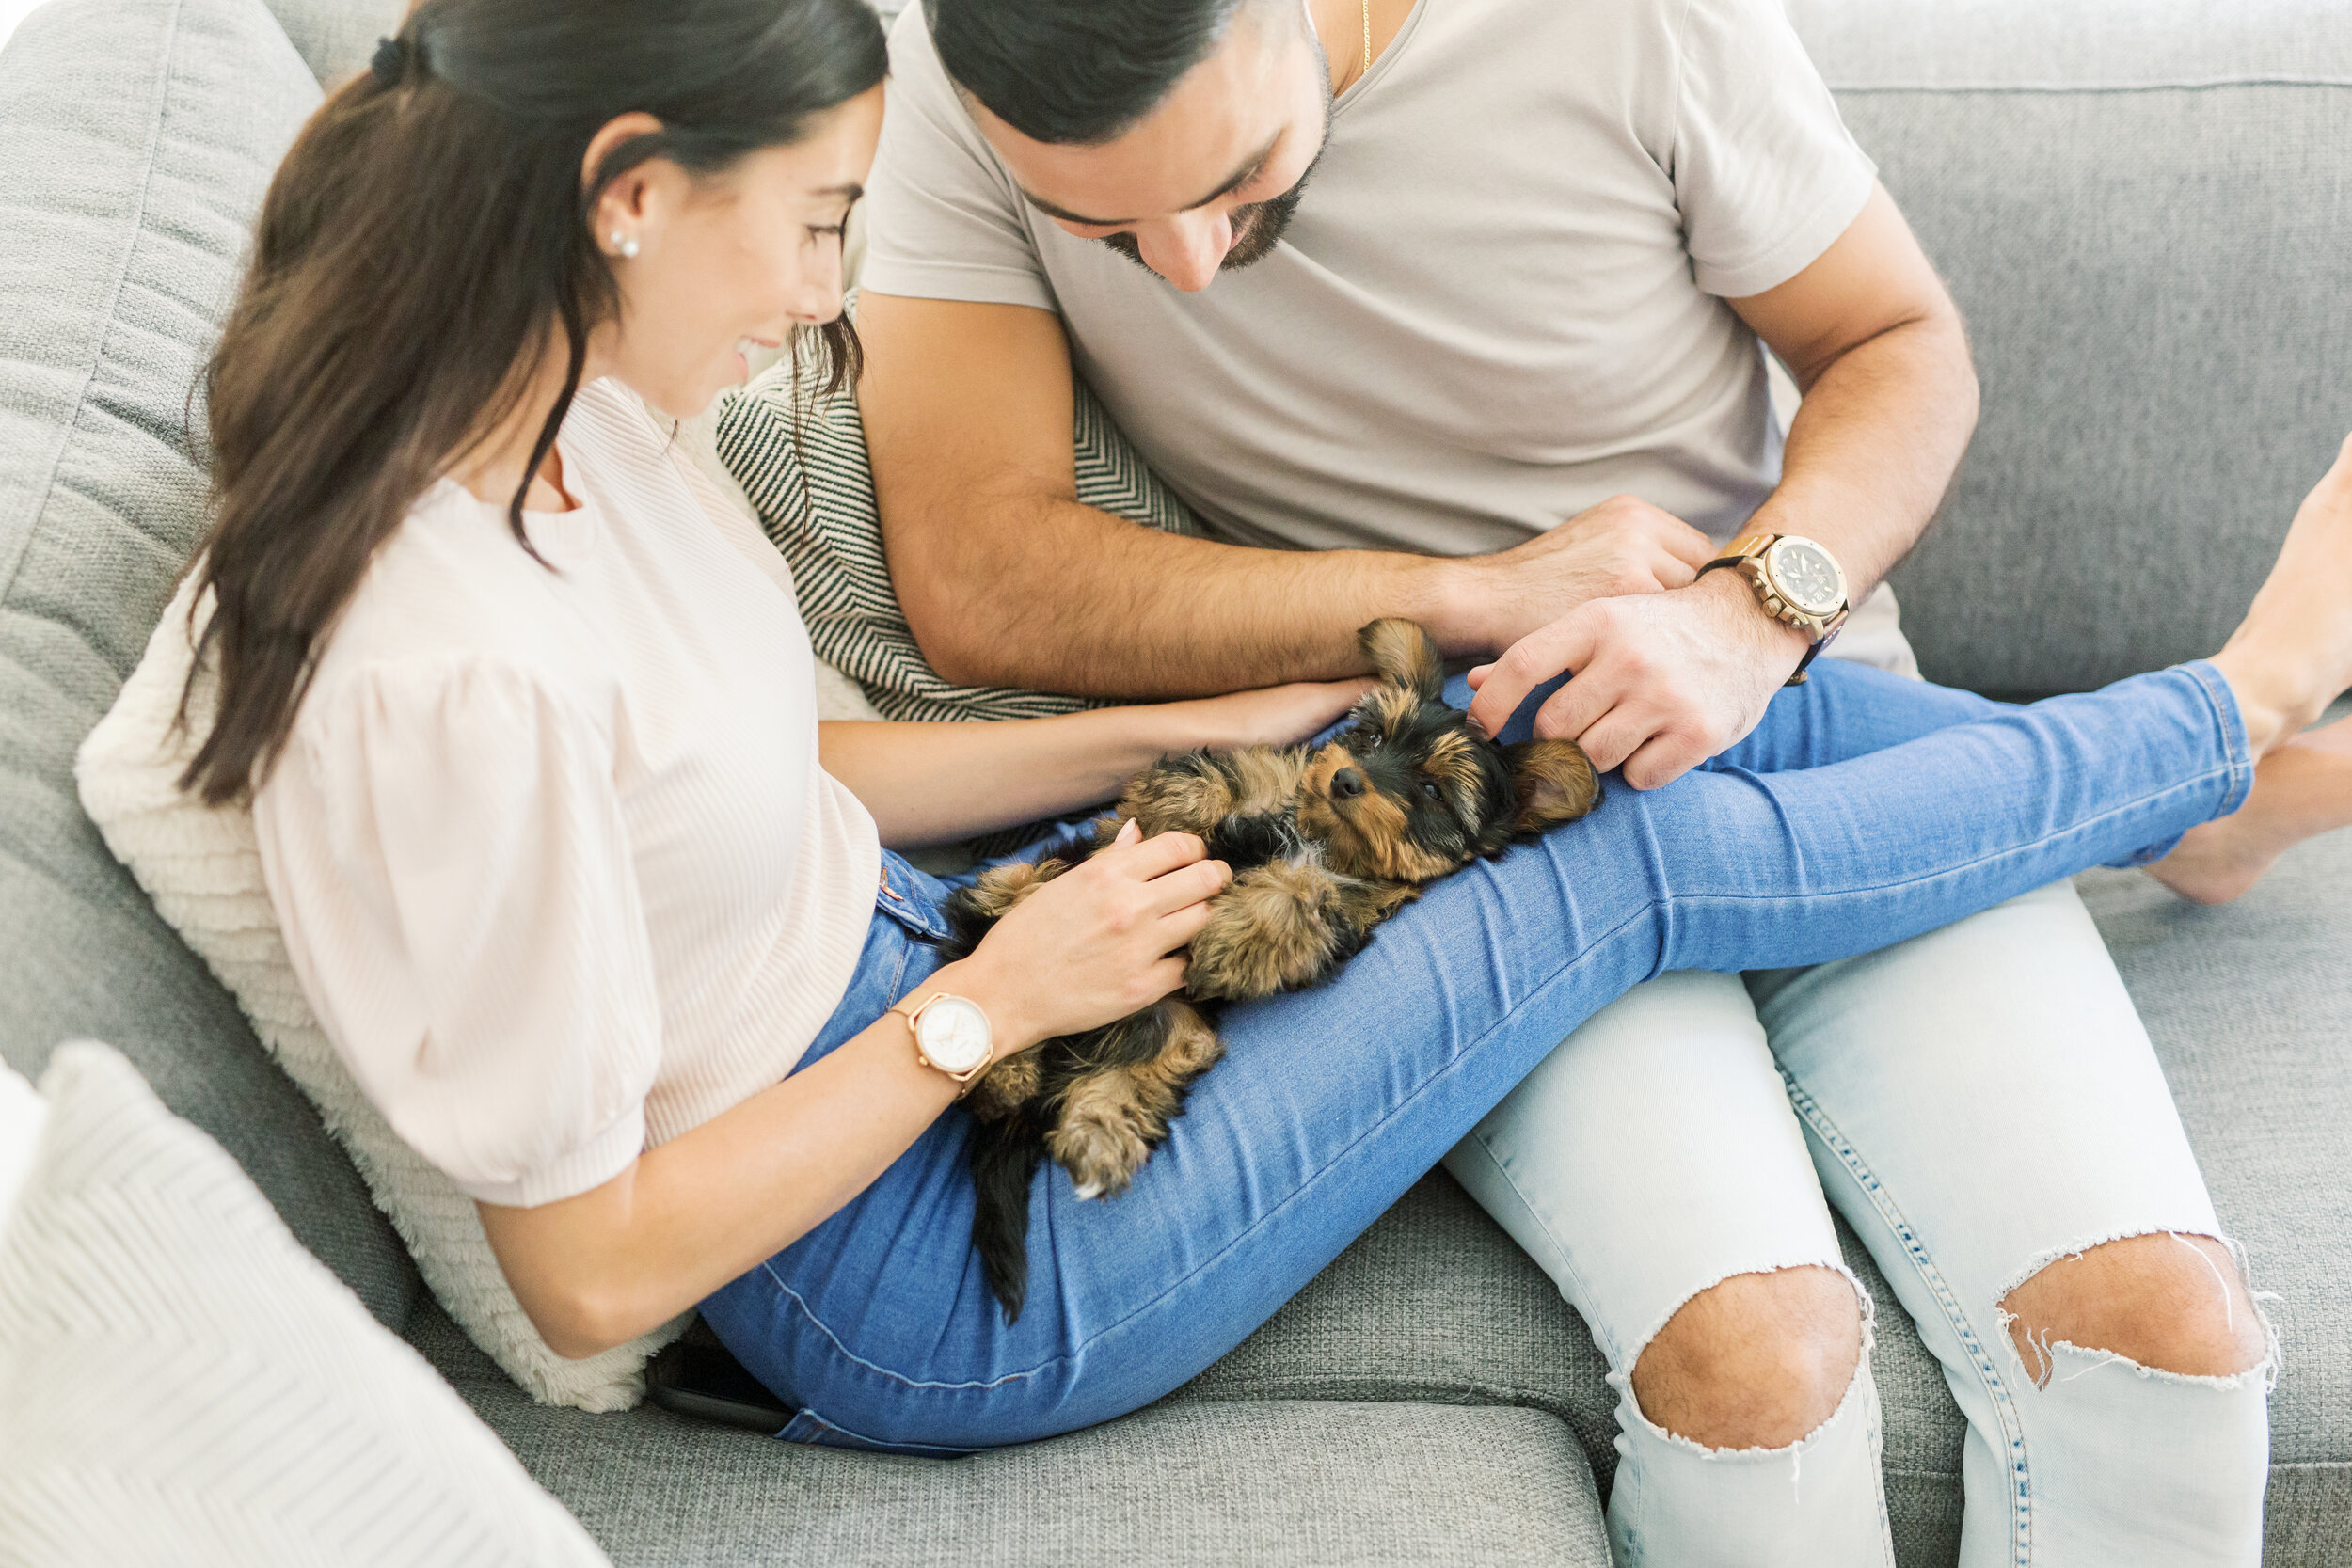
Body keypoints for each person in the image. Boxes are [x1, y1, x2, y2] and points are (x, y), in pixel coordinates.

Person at [184, 6, 2352, 1567]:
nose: (826, 301)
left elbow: (780, 769)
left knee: (1558, 697)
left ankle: (2186, 778)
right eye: (817, 225)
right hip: (933, 1247)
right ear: (631, 199)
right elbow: (580, 1276)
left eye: (848, 224)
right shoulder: (447, 669)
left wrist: (1220, 725)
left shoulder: (583, 450)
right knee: (1612, 813)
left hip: (937, 1005)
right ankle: (2226, 717)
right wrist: (995, 1006)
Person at [845, 0, 2341, 1557]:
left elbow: (1897, 344)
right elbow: (982, 571)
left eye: (1235, 181)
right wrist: (1473, 593)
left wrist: (1749, 616)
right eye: (1104, 231)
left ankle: (2214, 779)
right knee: (1759, 1365)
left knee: (2162, 1344)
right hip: (1458, 824)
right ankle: (2219, 773)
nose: (1187, 270)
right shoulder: (956, 86)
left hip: (1794, 724)